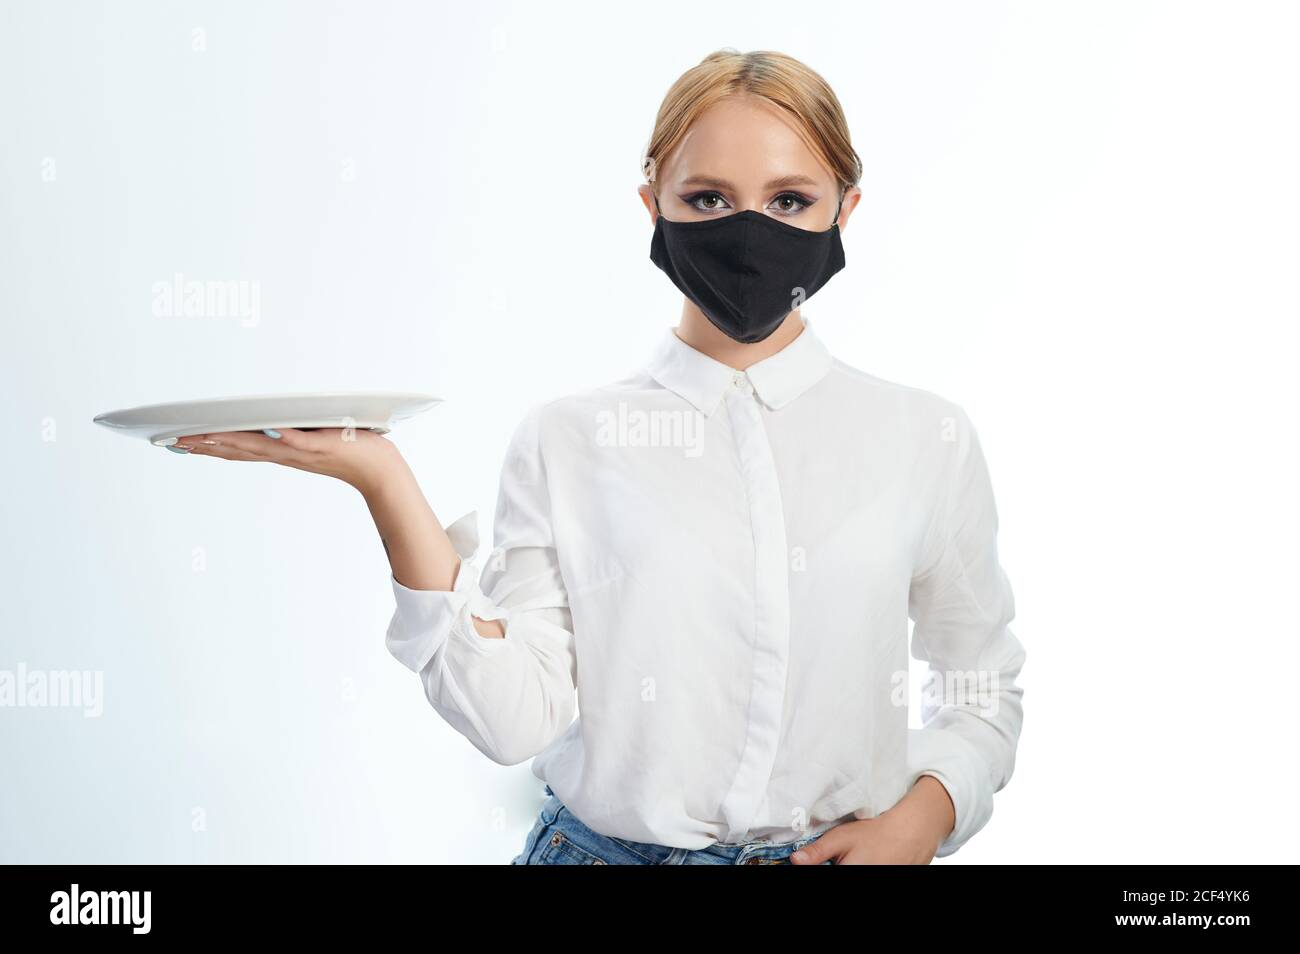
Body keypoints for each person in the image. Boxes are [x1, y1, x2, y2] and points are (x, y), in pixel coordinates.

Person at [171, 48, 1026, 866]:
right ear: (652, 202)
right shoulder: (566, 437)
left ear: (847, 207)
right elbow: (515, 720)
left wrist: (929, 811)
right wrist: (383, 479)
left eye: (791, 200)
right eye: (709, 199)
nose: (748, 233)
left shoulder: (923, 438)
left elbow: (983, 680)